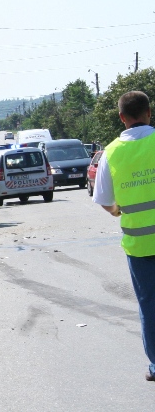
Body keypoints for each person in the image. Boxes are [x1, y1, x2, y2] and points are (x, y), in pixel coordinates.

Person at [93, 90, 155, 382]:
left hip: (139, 245)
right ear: (149, 113)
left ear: (122, 118)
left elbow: (104, 199)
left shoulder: (112, 152)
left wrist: (118, 210)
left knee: (149, 305)